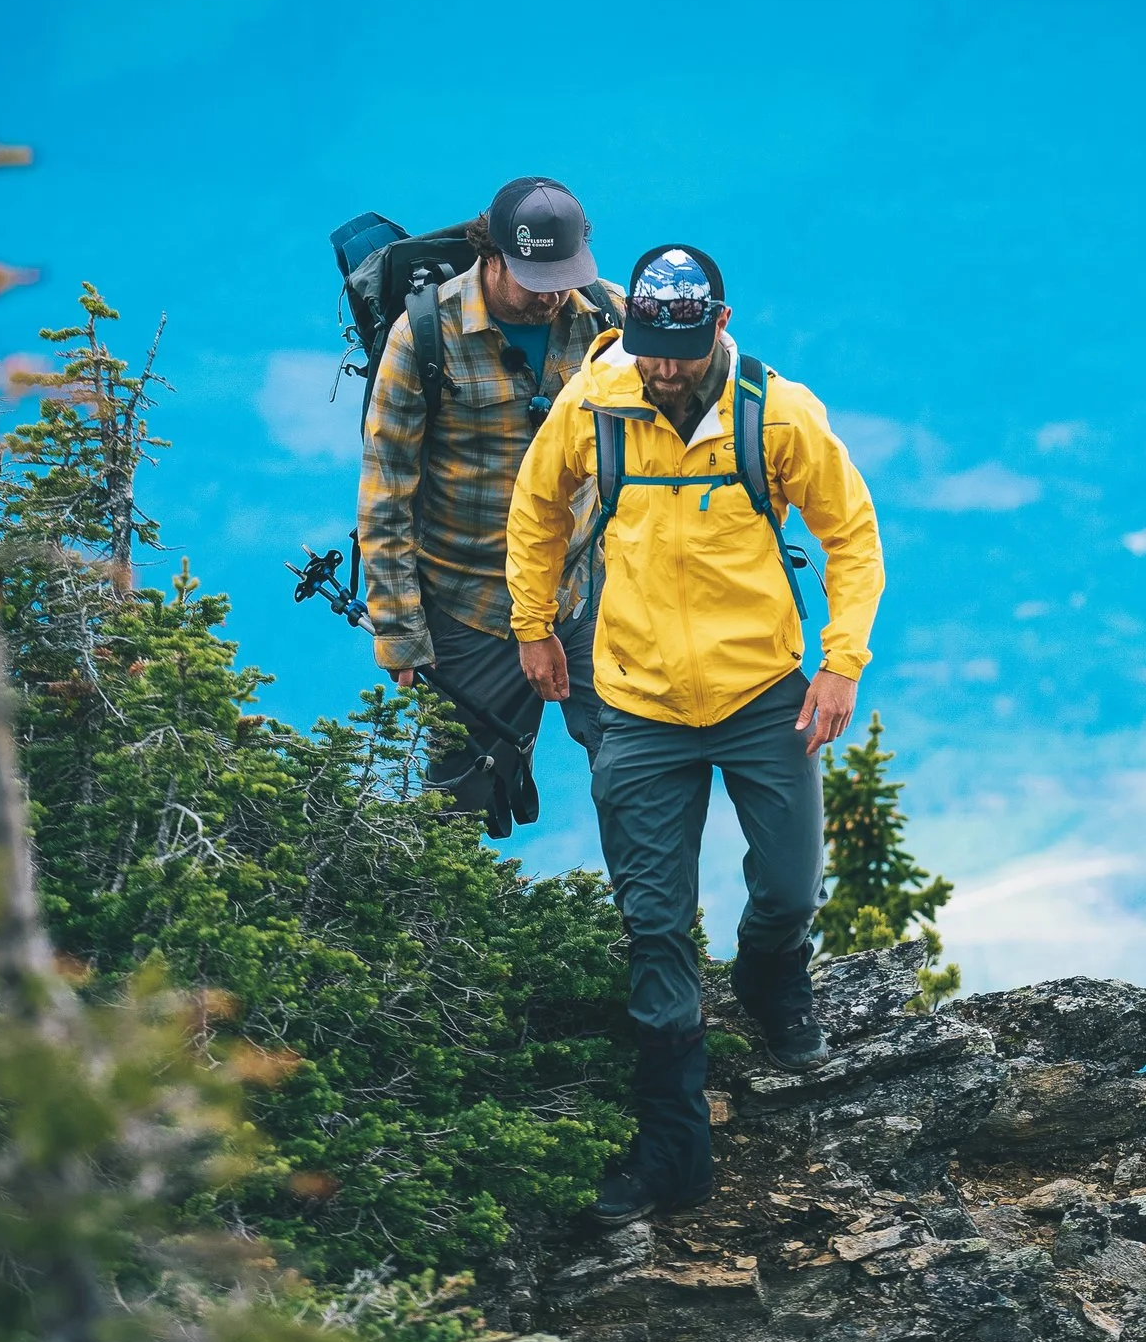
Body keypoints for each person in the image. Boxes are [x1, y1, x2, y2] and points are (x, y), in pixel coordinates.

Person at [506, 243, 886, 1225]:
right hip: (634, 698)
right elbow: (537, 509)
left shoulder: (776, 414)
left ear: (718, 325)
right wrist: (532, 624)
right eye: (648, 347)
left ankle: (770, 979)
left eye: (678, 347)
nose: (662, 366)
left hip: (761, 689)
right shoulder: (595, 403)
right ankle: (675, 1156)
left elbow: (850, 533)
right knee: (654, 923)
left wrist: (840, 660)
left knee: (792, 885)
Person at [358, 176, 620, 835]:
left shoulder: (610, 321)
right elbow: (387, 492)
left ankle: (656, 935)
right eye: (536, 276)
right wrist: (400, 634)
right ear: (492, 255)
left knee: (640, 767)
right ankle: (446, 938)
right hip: (472, 604)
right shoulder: (424, 336)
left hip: (586, 591)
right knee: (461, 802)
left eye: (564, 274)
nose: (553, 292)